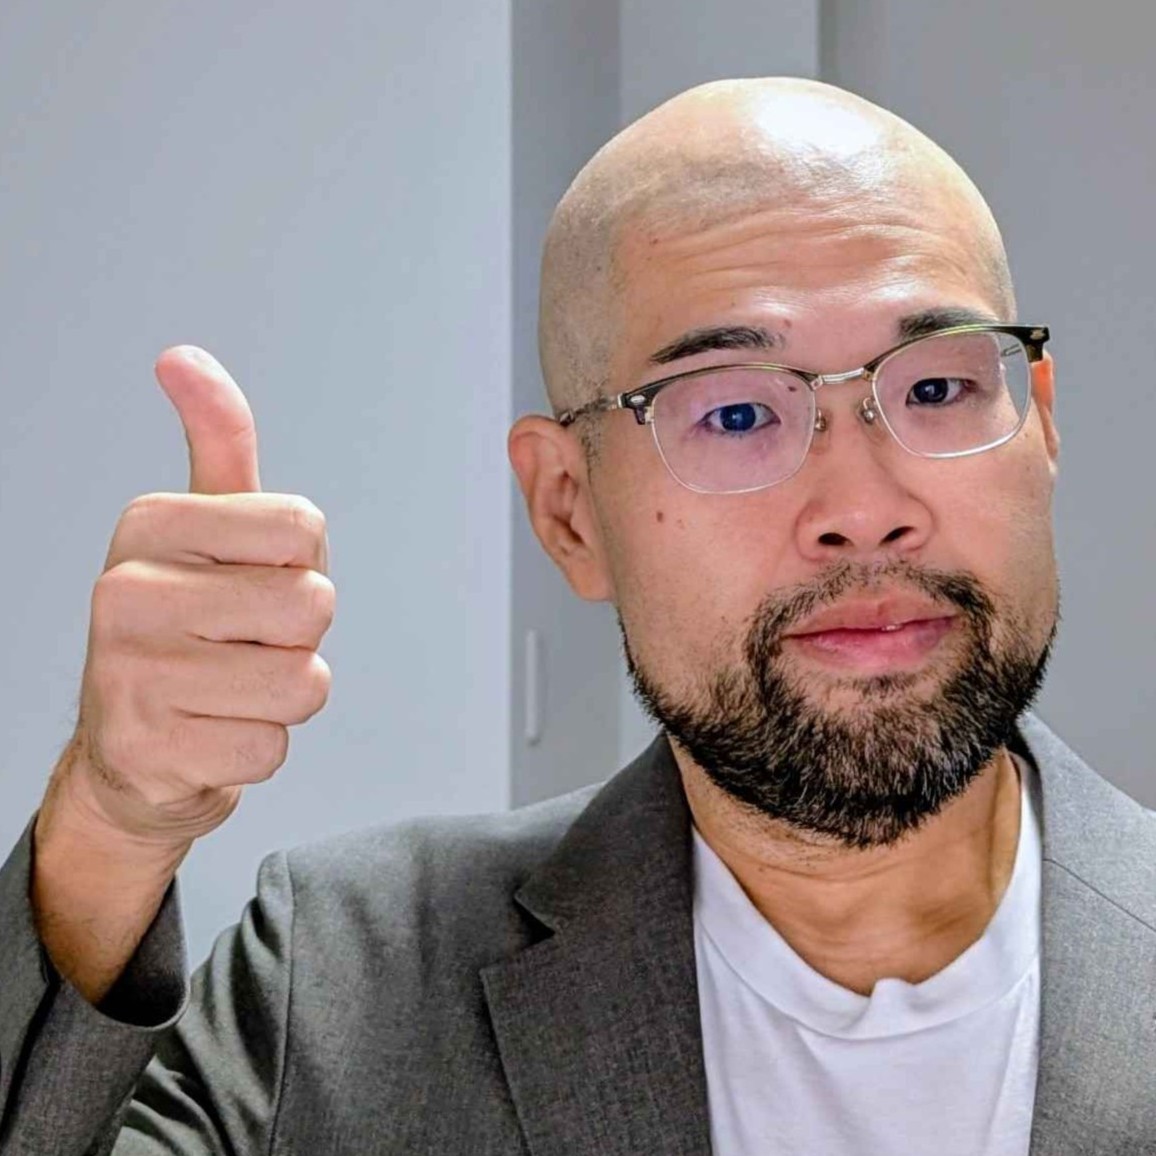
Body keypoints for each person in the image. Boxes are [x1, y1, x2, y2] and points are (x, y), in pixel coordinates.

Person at [0, 76, 1152, 1156]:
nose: (863, 509)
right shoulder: (344, 984)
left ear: (1040, 427)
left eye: (937, 388)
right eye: (736, 413)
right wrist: (114, 822)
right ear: (569, 509)